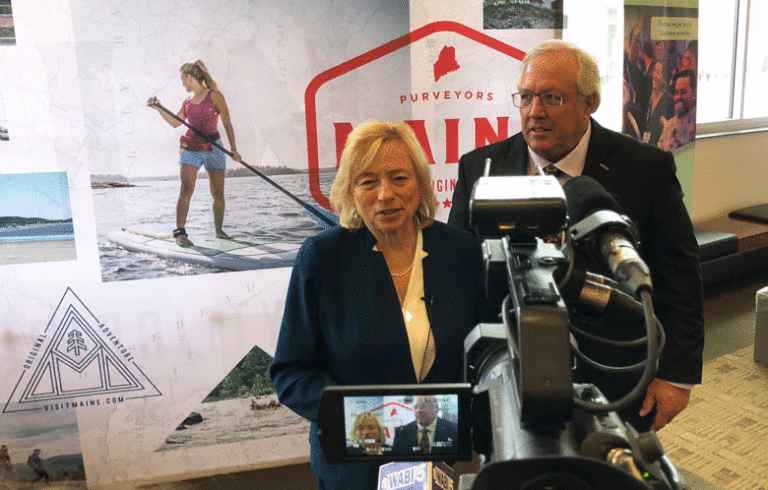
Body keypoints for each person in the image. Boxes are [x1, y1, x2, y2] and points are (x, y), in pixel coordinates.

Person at [448, 39, 704, 433]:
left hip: (613, 373)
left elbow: (679, 278)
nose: (536, 112)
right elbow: (462, 277)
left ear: (590, 103)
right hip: (511, 370)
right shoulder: (479, 168)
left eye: (552, 97)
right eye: (527, 97)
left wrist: (676, 376)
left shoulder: (646, 169)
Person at [270, 119, 492, 490]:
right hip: (353, 471)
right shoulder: (321, 258)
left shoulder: (463, 251)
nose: (385, 194)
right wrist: (370, 421)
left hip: (437, 464)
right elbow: (291, 374)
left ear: (421, 184)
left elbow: (487, 354)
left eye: (399, 178)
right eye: (368, 181)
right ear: (349, 192)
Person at [147, 60, 241, 247]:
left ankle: (219, 231)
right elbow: (175, 122)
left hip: (215, 147)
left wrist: (234, 149)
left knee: (218, 192)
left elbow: (227, 123)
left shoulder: (215, 96)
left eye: (183, 79)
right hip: (191, 148)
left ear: (190, 78)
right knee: (186, 189)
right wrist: (158, 108)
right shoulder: (187, 103)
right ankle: (180, 233)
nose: (182, 84)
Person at [391, 396, 458, 455]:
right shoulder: (401, 432)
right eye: (416, 407)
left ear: (436, 409)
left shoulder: (454, 430)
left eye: (423, 406)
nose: (418, 411)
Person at [658, 70, 697, 151]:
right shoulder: (669, 126)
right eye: (676, 93)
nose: (679, 97)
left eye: (683, 92)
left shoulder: (696, 125)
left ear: (694, 94)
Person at [643, 57, 673, 147]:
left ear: (664, 78)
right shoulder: (648, 96)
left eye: (659, 72)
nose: (654, 75)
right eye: (654, 71)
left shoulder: (668, 101)